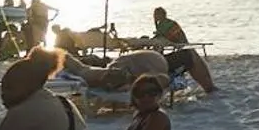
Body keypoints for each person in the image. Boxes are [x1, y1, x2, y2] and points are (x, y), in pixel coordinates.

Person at [62, 45, 217, 94]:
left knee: (190, 54)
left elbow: (76, 65)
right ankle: (210, 88)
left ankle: (210, 88)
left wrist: (60, 55)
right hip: (166, 65)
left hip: (159, 61)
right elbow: (162, 80)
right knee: (190, 55)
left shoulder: (98, 72)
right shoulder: (140, 78)